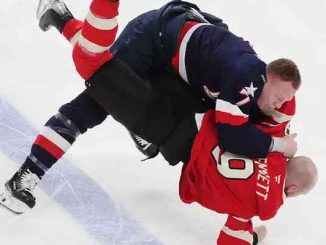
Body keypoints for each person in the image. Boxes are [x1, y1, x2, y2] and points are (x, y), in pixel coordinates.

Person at [0, 0, 299, 216]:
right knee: (96, 97)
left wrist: (280, 129)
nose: (280, 104)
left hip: (179, 57)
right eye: (279, 96)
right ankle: (27, 173)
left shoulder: (261, 85)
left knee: (119, 80)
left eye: (284, 101)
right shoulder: (243, 77)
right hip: (152, 38)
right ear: (268, 76)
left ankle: (59, 16)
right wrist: (278, 143)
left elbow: (279, 110)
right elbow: (234, 137)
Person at [179, 110, 318, 244]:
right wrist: (254, 238)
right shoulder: (267, 204)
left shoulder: (275, 150)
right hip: (189, 164)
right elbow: (230, 241)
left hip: (202, 124)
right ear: (293, 188)